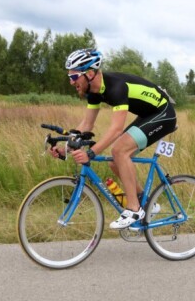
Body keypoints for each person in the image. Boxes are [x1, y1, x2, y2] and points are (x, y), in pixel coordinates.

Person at [50, 48, 177, 229]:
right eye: (70, 77)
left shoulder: (116, 87)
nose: (71, 82)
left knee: (119, 150)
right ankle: (147, 204)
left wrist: (91, 153)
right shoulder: (94, 91)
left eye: (74, 76)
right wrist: (65, 148)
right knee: (114, 161)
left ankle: (134, 209)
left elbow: (116, 129)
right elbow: (87, 124)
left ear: (90, 73)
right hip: (148, 115)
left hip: (163, 114)